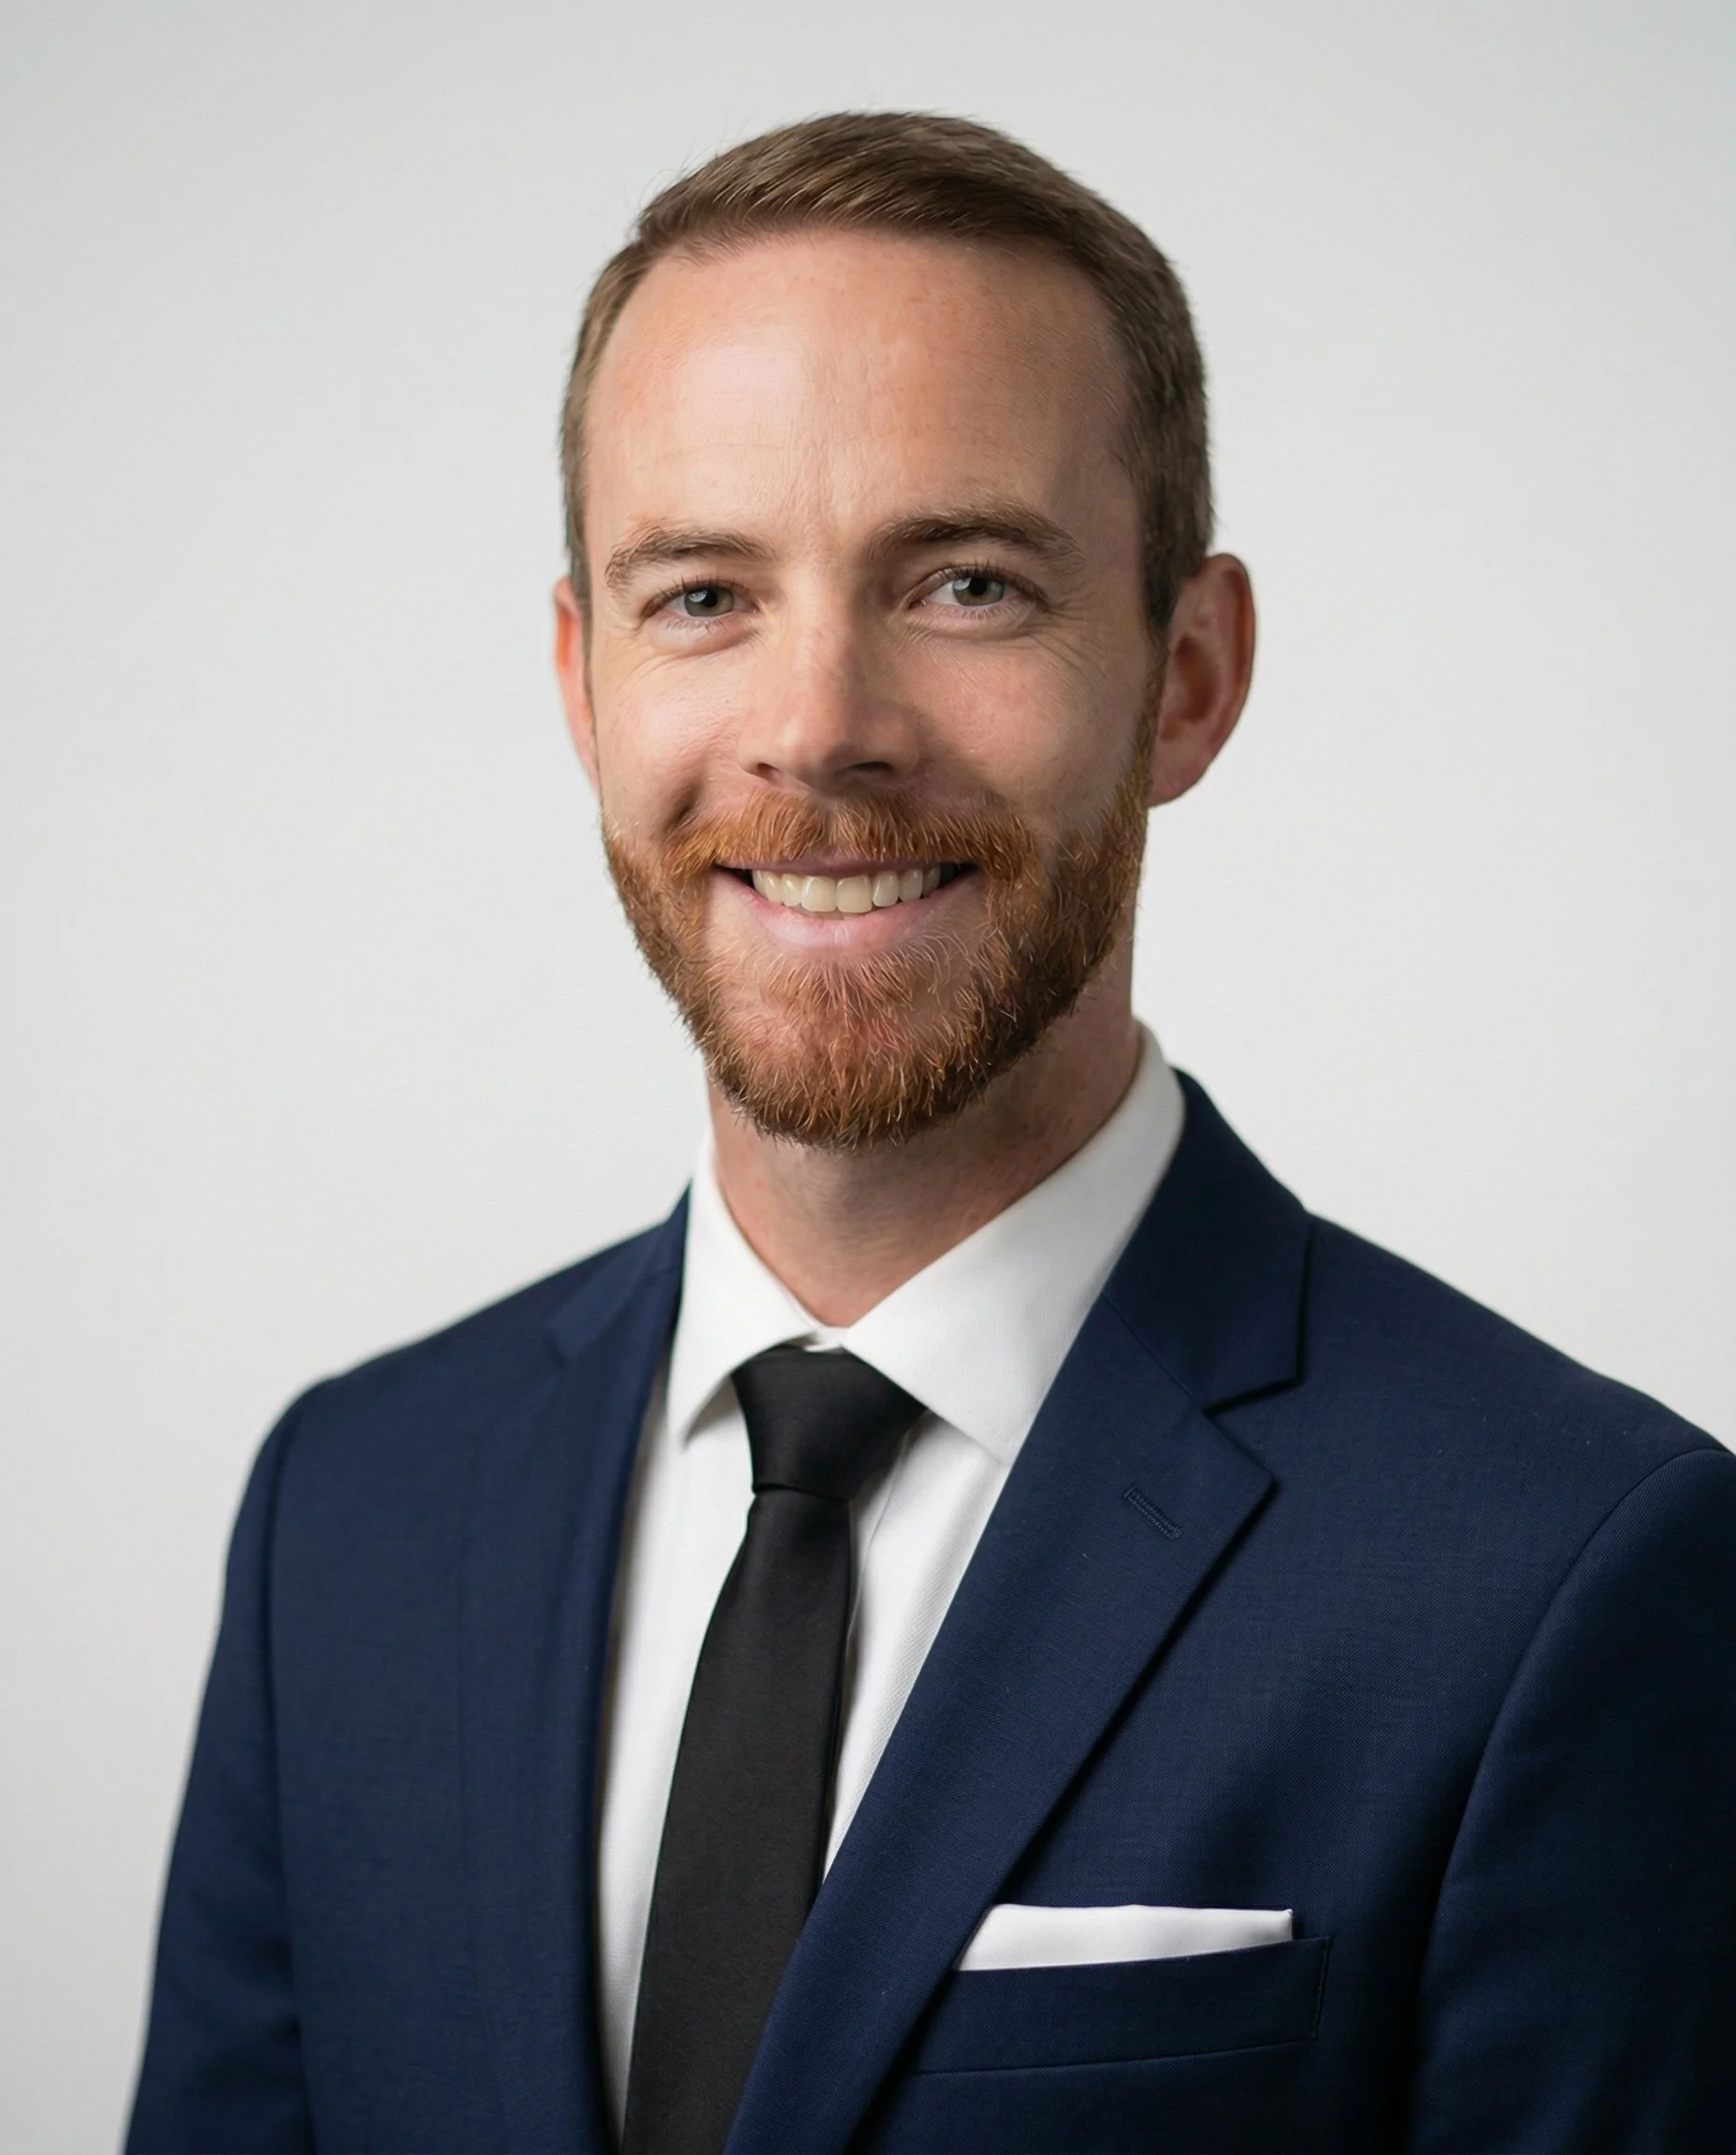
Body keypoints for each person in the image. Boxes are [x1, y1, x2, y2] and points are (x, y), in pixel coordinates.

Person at [127, 111, 1734, 2155]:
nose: (820, 724)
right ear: (581, 682)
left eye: (966, 582)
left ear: (1187, 673)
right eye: (702, 593)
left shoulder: (1555, 1574)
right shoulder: (346, 1519)